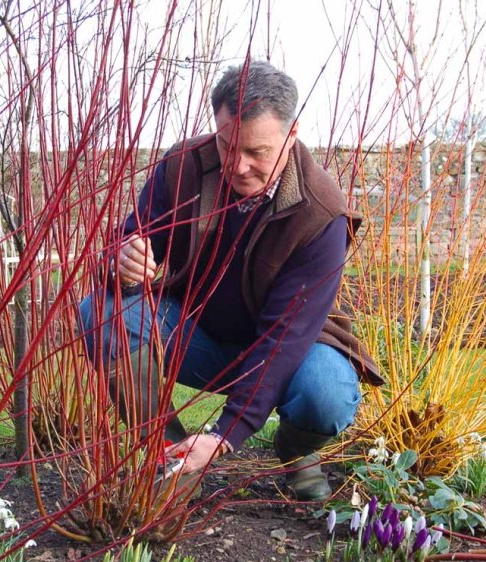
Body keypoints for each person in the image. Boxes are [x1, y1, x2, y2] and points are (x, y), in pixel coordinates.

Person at [79, 60, 383, 501]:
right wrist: (121, 260)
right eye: (226, 145)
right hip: (196, 334)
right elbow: (127, 240)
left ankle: (296, 448)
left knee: (327, 394)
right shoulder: (183, 167)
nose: (236, 166)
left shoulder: (322, 213)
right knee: (101, 314)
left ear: (291, 134)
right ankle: (171, 457)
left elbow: (283, 339)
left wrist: (226, 433)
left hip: (291, 351)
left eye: (257, 152)